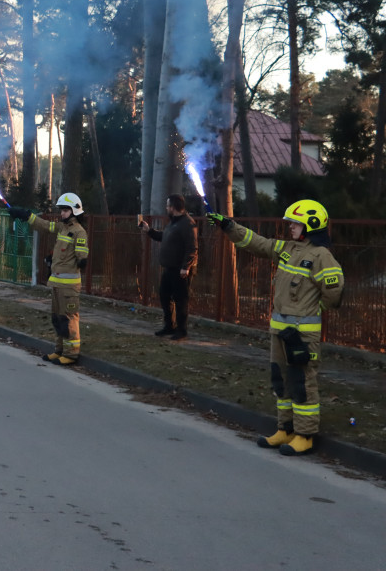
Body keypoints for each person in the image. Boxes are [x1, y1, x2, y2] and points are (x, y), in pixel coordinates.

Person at [208, 200, 344, 456]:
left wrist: (315, 309)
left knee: (303, 382)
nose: (290, 227)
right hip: (279, 331)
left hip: (302, 335)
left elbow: (334, 292)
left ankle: (305, 435)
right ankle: (286, 429)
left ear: (311, 225)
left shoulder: (321, 256)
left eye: (295, 223)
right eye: (291, 223)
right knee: (280, 381)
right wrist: (228, 226)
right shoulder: (288, 248)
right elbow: (257, 243)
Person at [11, 192, 90, 365]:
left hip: (69, 287)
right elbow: (45, 226)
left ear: (75, 210)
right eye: (61, 210)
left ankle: (71, 353)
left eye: (65, 210)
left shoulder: (79, 232)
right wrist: (27, 216)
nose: (61, 213)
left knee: (68, 318)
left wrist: (81, 258)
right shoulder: (63, 228)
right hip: (57, 283)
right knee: (58, 318)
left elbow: (82, 256)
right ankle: (60, 350)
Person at [139, 194, 198, 341]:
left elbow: (192, 248)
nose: (166, 208)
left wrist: (186, 266)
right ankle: (169, 326)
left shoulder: (187, 224)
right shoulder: (173, 223)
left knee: (181, 299)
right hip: (169, 268)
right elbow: (164, 237)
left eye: (167, 206)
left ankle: (181, 330)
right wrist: (149, 231)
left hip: (181, 269)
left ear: (173, 207)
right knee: (164, 296)